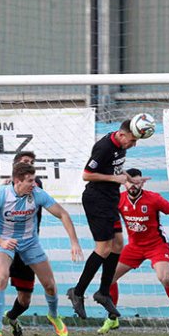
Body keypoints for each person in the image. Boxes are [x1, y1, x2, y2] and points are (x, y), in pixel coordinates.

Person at [0, 162, 83, 336]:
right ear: (17, 181)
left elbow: (63, 214)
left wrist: (74, 242)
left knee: (49, 285)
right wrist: (0, 241)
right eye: (30, 181)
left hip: (30, 244)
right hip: (5, 243)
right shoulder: (0, 195)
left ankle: (53, 315)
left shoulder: (38, 195)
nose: (34, 184)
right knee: (0, 277)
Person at [98, 168, 169, 334]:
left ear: (142, 182)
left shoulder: (154, 199)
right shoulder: (119, 200)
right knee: (109, 278)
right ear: (125, 183)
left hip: (156, 245)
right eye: (130, 182)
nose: (133, 186)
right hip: (134, 247)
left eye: (137, 182)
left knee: (164, 278)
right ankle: (112, 317)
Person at [67, 118, 142, 320]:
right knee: (103, 248)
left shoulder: (120, 147)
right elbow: (87, 175)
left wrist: (129, 178)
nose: (133, 144)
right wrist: (113, 179)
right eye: (132, 140)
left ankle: (103, 292)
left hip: (110, 199)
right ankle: (78, 292)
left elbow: (116, 169)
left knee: (118, 244)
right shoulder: (104, 147)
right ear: (122, 134)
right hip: (96, 200)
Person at [1, 151, 44, 336]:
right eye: (25, 162)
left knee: (25, 300)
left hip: (27, 248)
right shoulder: (1, 191)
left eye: (32, 163)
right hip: (7, 247)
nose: (30, 164)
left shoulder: (36, 186)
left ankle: (11, 317)